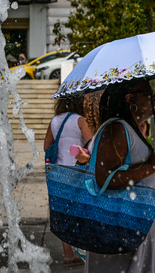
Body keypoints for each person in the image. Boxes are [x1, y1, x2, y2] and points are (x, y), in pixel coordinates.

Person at [84, 79, 155, 273]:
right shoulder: (116, 128)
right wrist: (152, 166)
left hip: (139, 232)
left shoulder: (129, 129)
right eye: (147, 91)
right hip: (124, 232)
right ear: (129, 98)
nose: (154, 96)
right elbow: (105, 179)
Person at [44, 96, 93, 266]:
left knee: (63, 211)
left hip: (58, 172)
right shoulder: (81, 120)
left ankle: (68, 254)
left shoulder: (55, 121)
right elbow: (92, 145)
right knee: (81, 209)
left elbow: (46, 146)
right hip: (77, 170)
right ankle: (83, 251)